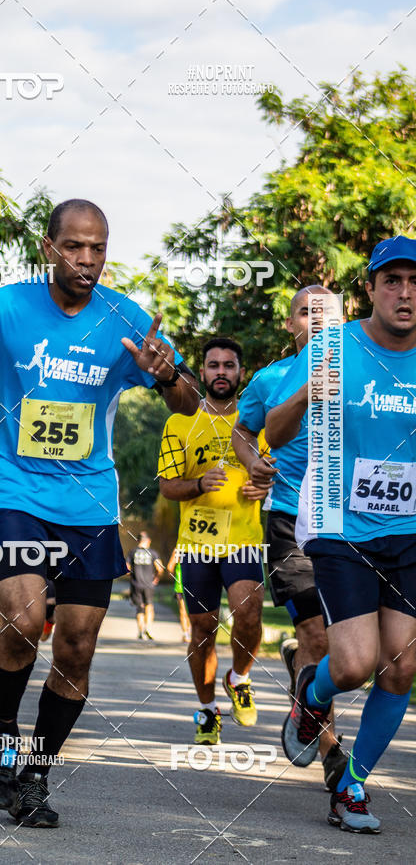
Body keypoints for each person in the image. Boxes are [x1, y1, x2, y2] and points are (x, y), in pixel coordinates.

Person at [0, 199, 198, 828]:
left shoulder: (127, 318)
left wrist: (165, 376)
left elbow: (184, 401)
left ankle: (35, 775)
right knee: (23, 619)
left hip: (90, 502)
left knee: (76, 647)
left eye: (98, 248)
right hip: (16, 492)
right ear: (49, 247)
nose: (88, 260)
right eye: (75, 247)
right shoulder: (2, 310)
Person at [265, 236, 416, 834]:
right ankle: (313, 689)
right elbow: (274, 433)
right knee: (354, 665)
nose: (406, 293)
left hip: (409, 528)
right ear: (372, 289)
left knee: (400, 668)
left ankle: (350, 785)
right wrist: (310, 391)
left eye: (415, 282)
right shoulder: (333, 346)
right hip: (339, 522)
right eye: (393, 281)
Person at [231, 285, 347, 791]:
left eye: (327, 313)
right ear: (290, 324)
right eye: (306, 312)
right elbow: (242, 431)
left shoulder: (367, 368)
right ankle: (334, 757)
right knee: (319, 636)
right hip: (287, 517)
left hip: (353, 521)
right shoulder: (270, 378)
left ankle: (303, 673)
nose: (317, 321)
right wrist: (253, 459)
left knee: (351, 646)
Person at [158, 337, 268, 744]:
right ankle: (207, 710)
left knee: (250, 612)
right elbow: (168, 487)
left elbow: (270, 470)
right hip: (198, 543)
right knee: (203, 629)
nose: (221, 371)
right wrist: (200, 483)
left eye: (229, 365)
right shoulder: (179, 421)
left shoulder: (255, 417)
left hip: (243, 538)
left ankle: (239, 678)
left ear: (241, 372)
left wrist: (263, 489)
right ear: (201, 372)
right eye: (213, 365)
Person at [126, 531, 163, 640]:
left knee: (139, 608)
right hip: (149, 585)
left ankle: (141, 631)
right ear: (148, 541)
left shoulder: (132, 553)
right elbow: (160, 568)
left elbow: (126, 569)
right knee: (149, 606)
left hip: (136, 584)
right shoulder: (153, 553)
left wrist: (132, 575)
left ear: (138, 540)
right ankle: (148, 628)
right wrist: (156, 578)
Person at [166, 547, 191, 643]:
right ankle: (191, 633)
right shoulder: (198, 548)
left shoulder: (178, 549)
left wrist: (175, 575)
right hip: (195, 584)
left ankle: (186, 634)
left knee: (183, 611)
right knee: (193, 611)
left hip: (180, 585)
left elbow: (169, 567)